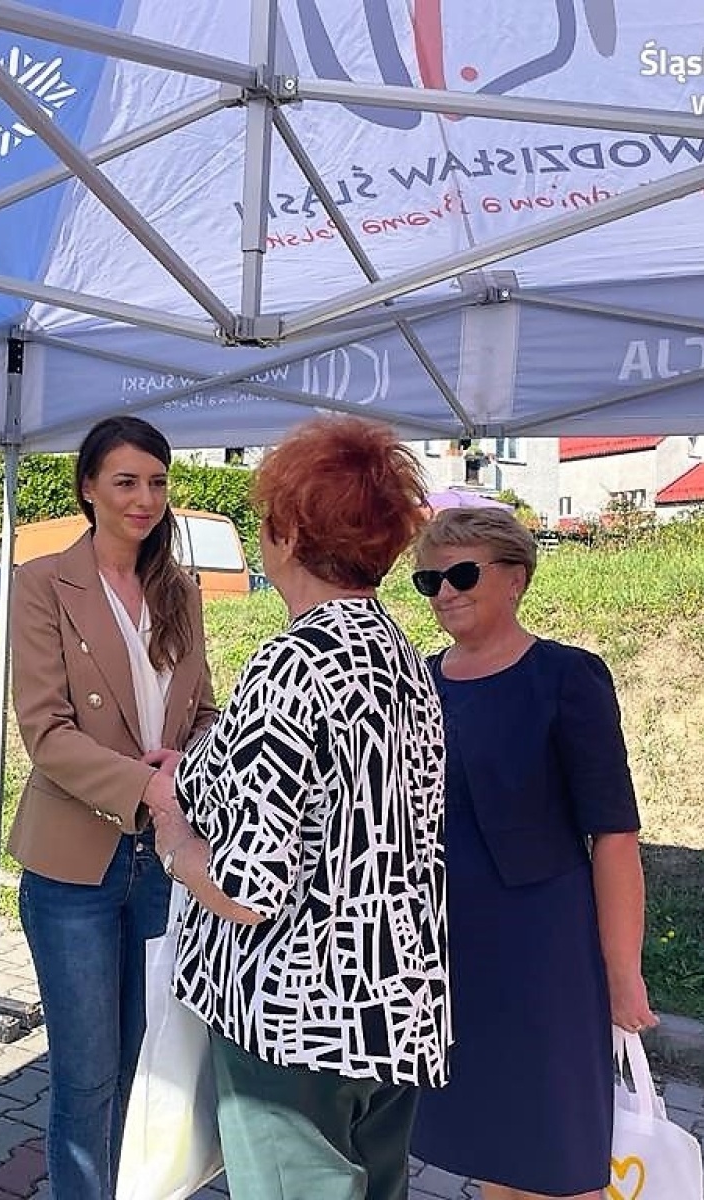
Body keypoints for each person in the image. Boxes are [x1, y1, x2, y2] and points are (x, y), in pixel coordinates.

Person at [143, 415, 450, 1200]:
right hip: (391, 1011)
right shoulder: (397, 653)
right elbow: (345, 800)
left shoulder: (294, 662)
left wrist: (173, 834)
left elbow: (247, 888)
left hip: (297, 1022)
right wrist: (203, 766)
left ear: (286, 532)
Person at [408, 507, 655, 1200]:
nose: (445, 592)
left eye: (462, 573)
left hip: (544, 954)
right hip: (448, 953)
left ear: (517, 579)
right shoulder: (417, 684)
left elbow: (613, 835)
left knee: (560, 1155)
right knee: (496, 1148)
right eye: (430, 579)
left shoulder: (567, 678)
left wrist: (621, 971)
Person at [7, 415, 218, 1199]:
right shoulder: (41, 583)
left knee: (148, 1067)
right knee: (88, 1077)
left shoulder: (180, 590)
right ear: (88, 488)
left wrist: (192, 763)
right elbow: (46, 732)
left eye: (158, 482)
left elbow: (199, 714)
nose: (145, 499)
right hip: (75, 868)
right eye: (126, 481)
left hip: (162, 861)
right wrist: (150, 786)